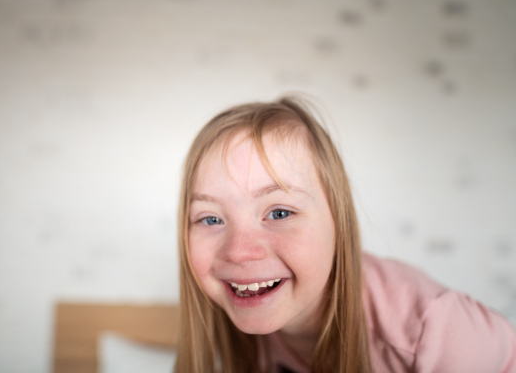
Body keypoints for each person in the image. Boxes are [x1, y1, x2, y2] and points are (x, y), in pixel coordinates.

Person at [173, 96, 516, 373]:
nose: (238, 252)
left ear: (339, 223)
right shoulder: (244, 315)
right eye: (210, 219)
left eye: (279, 213)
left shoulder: (436, 330)